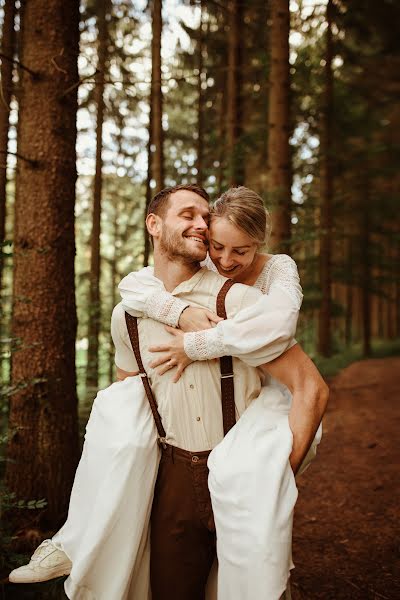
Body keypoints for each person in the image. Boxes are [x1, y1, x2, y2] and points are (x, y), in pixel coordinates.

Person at [9, 185, 327, 600]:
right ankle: (77, 539)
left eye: (203, 217)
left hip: (240, 466)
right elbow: (127, 400)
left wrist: (277, 474)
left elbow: (308, 386)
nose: (200, 224)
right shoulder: (129, 313)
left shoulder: (245, 302)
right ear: (154, 225)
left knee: (252, 587)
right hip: (170, 474)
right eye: (189, 215)